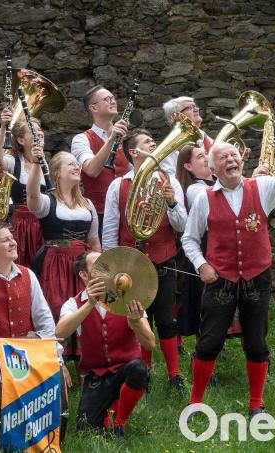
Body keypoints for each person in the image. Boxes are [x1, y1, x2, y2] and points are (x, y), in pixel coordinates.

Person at [182, 137, 275, 416]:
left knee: (256, 341)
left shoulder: (262, 187)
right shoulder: (204, 198)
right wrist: (201, 265)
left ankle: (256, 404)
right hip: (220, 280)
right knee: (209, 341)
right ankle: (195, 403)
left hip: (257, 277)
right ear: (213, 169)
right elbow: (189, 239)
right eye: (223, 157)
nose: (231, 159)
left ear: (242, 161)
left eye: (234, 155)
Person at [101, 130, 187, 390]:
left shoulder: (169, 181)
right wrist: (111, 267)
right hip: (131, 263)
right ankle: (144, 373)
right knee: (139, 317)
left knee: (167, 318)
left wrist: (172, 203)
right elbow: (110, 229)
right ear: (134, 152)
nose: (154, 144)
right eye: (148, 142)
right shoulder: (118, 185)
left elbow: (182, 225)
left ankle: (174, 375)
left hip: (164, 259)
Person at [56, 251, 154, 438]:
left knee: (139, 369)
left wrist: (136, 322)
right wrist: (90, 304)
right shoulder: (73, 303)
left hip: (126, 369)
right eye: (98, 264)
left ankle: (119, 422)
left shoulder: (128, 297)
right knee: (86, 431)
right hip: (96, 375)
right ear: (84, 275)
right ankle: (110, 410)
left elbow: (150, 343)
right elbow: (60, 332)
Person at [27, 149, 101, 320]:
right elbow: (32, 194)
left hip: (83, 264)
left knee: (86, 309)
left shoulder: (88, 204)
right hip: (55, 263)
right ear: (56, 172)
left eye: (78, 164)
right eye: (71, 164)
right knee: (56, 308)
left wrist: (100, 270)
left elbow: (94, 241)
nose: (77, 167)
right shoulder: (47, 201)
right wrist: (37, 163)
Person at [70, 85, 131, 234]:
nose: (113, 101)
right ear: (94, 108)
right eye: (107, 99)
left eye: (113, 98)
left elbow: (134, 172)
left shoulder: (126, 139)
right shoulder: (81, 139)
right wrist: (111, 140)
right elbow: (91, 170)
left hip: (127, 212)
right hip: (99, 214)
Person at [2, 114, 47, 267]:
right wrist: (3, 127)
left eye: (40, 129)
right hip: (21, 225)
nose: (39, 133)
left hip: (43, 224)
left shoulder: (48, 165)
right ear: (21, 140)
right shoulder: (13, 162)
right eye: (33, 130)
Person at [161, 97, 211, 169]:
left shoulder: (205, 137)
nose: (196, 109)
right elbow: (171, 174)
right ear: (177, 116)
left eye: (195, 106)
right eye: (190, 108)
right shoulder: (170, 147)